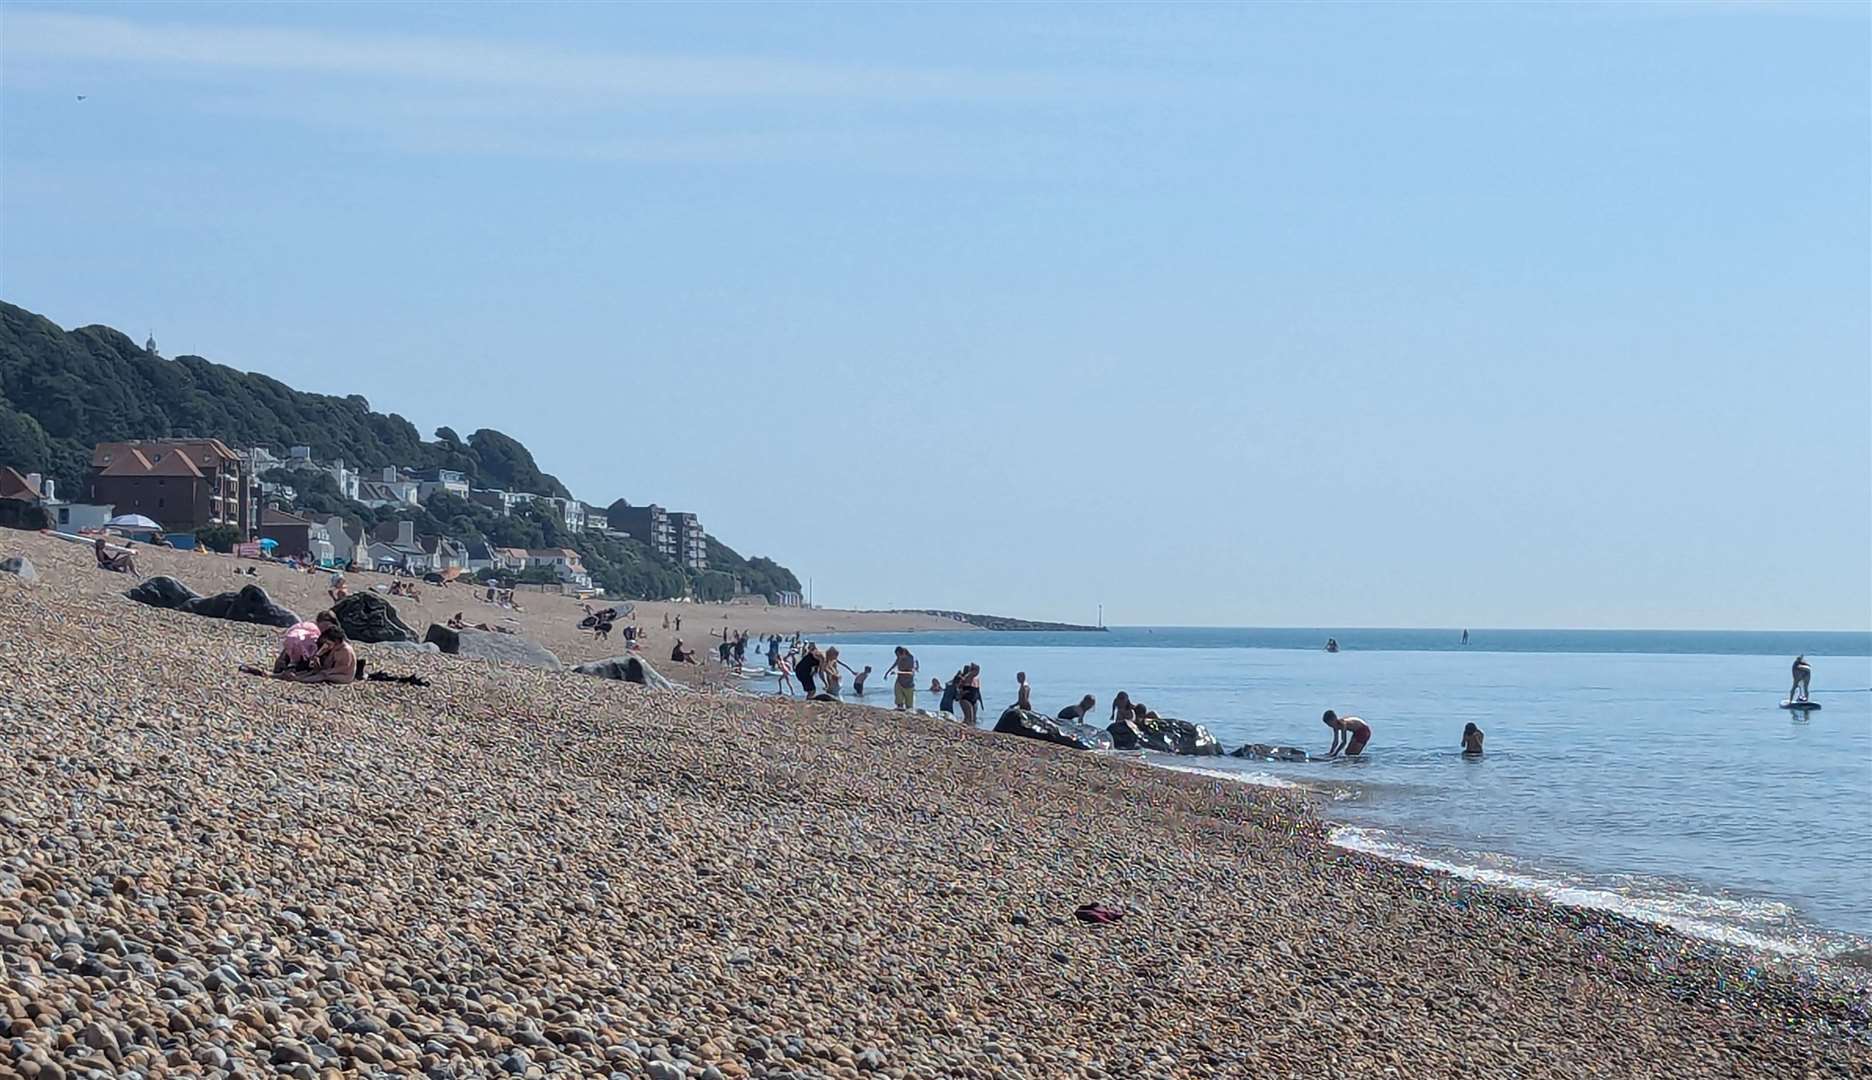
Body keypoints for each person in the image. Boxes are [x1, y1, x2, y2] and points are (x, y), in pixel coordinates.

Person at [885, 647, 919, 711]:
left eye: (899, 655)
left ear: (903, 653)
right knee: (899, 700)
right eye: (897, 656)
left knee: (909, 705)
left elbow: (911, 672)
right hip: (899, 682)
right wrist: (887, 673)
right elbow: (894, 665)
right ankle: (899, 709)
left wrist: (898, 672)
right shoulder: (899, 658)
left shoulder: (911, 659)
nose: (898, 657)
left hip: (909, 683)